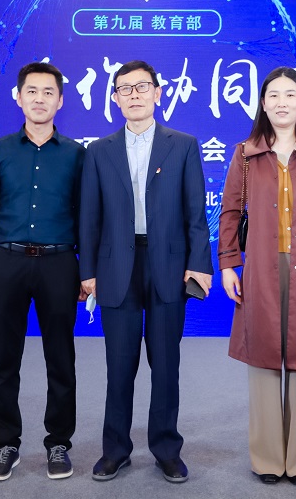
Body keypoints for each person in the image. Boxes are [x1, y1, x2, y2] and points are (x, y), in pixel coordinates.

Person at [79, 60, 213, 483]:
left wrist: (199, 265)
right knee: (119, 366)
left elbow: (196, 214)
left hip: (168, 266)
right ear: (115, 99)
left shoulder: (183, 145)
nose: (134, 95)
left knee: (166, 365)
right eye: (125, 89)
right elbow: (89, 218)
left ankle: (167, 450)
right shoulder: (98, 151)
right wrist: (87, 271)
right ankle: (115, 450)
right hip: (115, 267)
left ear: (158, 92)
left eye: (142, 87)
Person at [218, 66, 296, 485]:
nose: (281, 103)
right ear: (262, 103)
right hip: (260, 267)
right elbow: (230, 212)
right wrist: (228, 263)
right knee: (263, 357)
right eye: (273, 95)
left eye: (290, 94)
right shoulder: (245, 154)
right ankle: (268, 460)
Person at [0, 62, 85, 482]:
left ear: (60, 100)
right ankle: (6, 444)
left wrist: (86, 271)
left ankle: (59, 443)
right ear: (18, 98)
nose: (40, 99)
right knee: (4, 360)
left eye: (48, 92)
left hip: (59, 264)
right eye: (31, 91)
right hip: (7, 262)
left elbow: (87, 217)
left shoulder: (76, 155)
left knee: (61, 359)